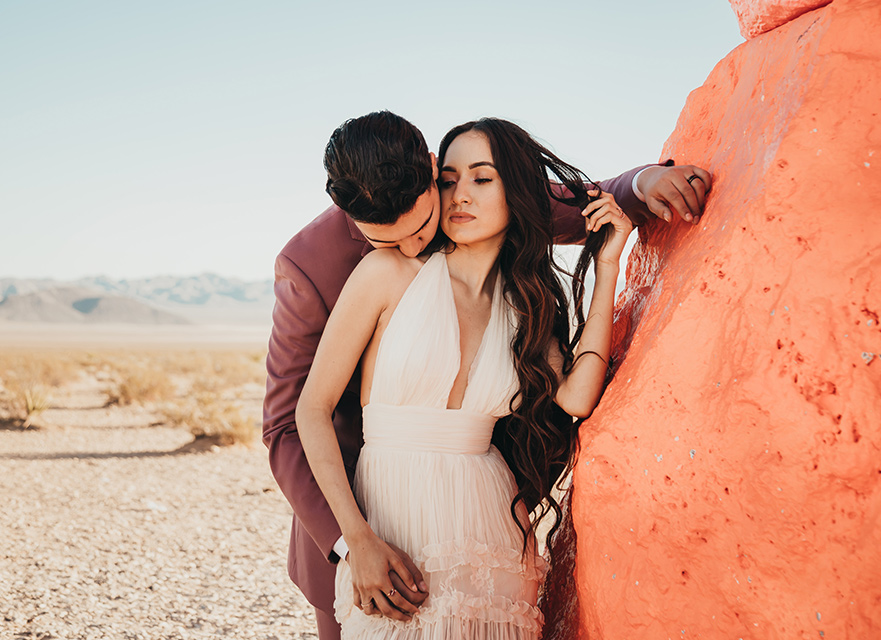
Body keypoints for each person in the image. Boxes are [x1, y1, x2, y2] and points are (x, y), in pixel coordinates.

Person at [263, 111, 712, 640]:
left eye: (422, 226)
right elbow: (289, 422)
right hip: (366, 506)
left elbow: (542, 201)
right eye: (395, 239)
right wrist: (352, 540)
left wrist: (627, 215)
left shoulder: (514, 289)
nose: (415, 246)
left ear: (431, 172)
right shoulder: (322, 267)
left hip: (482, 518)